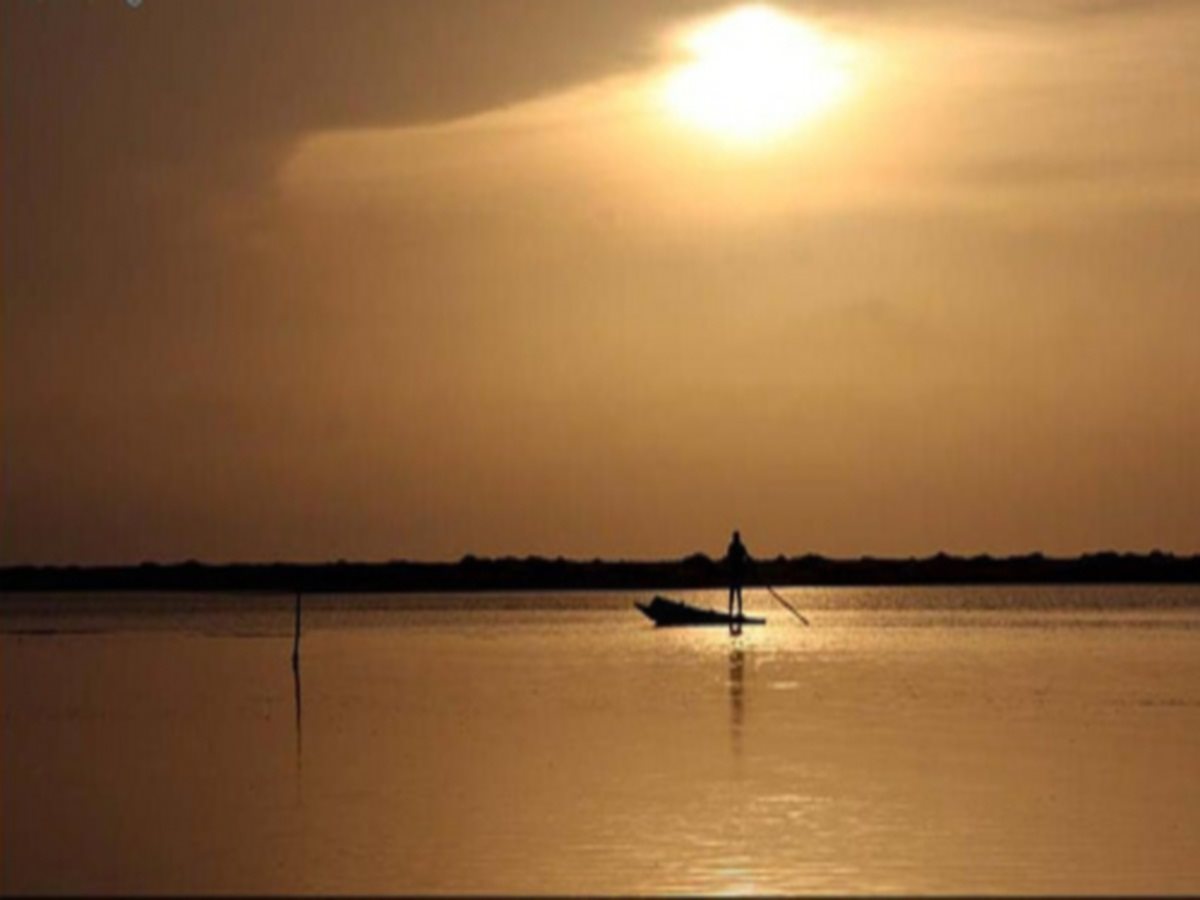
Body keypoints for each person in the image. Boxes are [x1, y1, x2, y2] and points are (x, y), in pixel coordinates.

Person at [725, 530, 750, 618]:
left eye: (736, 537)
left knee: (738, 594)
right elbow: (728, 559)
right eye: (735, 537)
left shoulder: (741, 547)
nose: (736, 539)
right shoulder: (731, 547)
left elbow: (746, 557)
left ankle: (739, 612)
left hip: (738, 574)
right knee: (732, 594)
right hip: (733, 574)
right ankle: (730, 613)